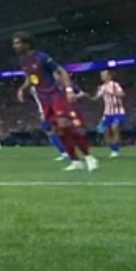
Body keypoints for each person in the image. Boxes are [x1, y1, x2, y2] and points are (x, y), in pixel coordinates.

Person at [14, 32, 96, 172]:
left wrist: (69, 90)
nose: (15, 46)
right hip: (44, 99)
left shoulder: (42, 57)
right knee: (58, 130)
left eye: (17, 43)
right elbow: (31, 77)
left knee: (66, 125)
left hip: (56, 95)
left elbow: (61, 72)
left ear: (26, 43)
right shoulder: (23, 60)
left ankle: (89, 157)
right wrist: (22, 89)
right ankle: (75, 161)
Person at [88, 70, 127, 158]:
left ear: (109, 76)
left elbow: (122, 94)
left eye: (104, 75)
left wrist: (110, 92)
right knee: (105, 131)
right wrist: (86, 95)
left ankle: (116, 150)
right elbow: (95, 98)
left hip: (118, 111)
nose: (102, 77)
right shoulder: (102, 87)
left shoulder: (115, 85)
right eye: (101, 75)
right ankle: (113, 149)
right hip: (107, 113)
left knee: (114, 127)